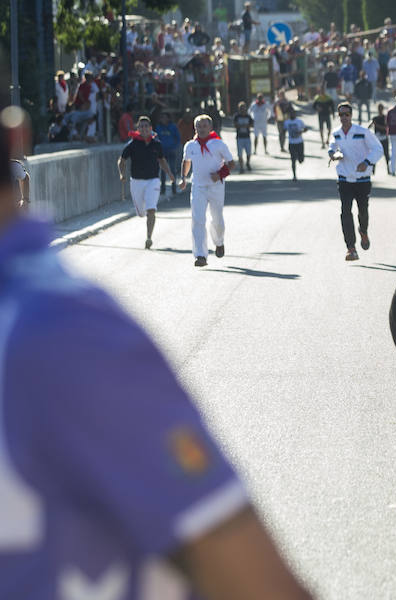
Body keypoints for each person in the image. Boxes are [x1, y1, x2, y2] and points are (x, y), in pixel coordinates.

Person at [0, 109, 315, 600]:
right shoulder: (63, 329)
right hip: (189, 189)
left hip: (213, 188)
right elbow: (251, 579)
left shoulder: (57, 328)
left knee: (214, 220)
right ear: (18, 135)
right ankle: (200, 251)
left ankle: (214, 246)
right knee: (195, 222)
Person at [327, 102, 382, 261]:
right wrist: (333, 154)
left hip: (362, 179)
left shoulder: (362, 132)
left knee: (363, 211)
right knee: (345, 211)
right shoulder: (336, 133)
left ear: (351, 115)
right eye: (341, 115)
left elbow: (378, 149)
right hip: (344, 178)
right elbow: (332, 147)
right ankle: (351, 248)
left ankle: (363, 231)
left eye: (347, 114)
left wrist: (367, 162)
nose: (344, 117)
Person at [180, 114, 235, 267]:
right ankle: (200, 255)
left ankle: (219, 241)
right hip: (198, 187)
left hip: (216, 187)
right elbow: (186, 162)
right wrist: (183, 178)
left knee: (217, 219)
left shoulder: (219, 144)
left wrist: (219, 175)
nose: (202, 129)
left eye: (205, 126)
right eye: (199, 126)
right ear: (195, 128)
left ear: (210, 128)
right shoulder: (190, 146)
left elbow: (231, 164)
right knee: (198, 219)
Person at [119, 116, 176, 250]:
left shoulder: (156, 144)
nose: (144, 129)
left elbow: (161, 160)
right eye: (141, 126)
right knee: (140, 213)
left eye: (146, 126)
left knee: (151, 209)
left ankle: (149, 237)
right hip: (137, 182)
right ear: (137, 129)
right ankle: (144, 213)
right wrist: (122, 174)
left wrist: (169, 173)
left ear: (151, 129)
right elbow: (121, 160)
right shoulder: (132, 144)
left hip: (153, 181)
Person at [154, 111, 181, 198]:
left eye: (165, 117)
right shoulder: (158, 128)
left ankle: (174, 187)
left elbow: (177, 138)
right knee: (162, 171)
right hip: (162, 152)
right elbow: (156, 138)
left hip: (171, 151)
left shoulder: (173, 127)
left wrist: (174, 146)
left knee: (172, 169)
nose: (164, 119)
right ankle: (163, 188)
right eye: (162, 118)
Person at [283, 107, 310, 181]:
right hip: (291, 143)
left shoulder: (299, 121)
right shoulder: (286, 122)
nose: (292, 115)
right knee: (293, 160)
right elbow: (283, 130)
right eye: (291, 114)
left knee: (301, 160)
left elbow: (306, 128)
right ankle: (294, 175)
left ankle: (299, 156)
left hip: (299, 143)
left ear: (295, 114)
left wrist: (301, 131)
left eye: (293, 113)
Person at [233, 101, 254, 173]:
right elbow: (235, 125)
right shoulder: (237, 116)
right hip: (239, 137)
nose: (242, 109)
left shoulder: (248, 116)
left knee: (248, 153)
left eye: (243, 107)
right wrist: (241, 126)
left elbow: (252, 125)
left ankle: (248, 163)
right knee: (240, 154)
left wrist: (246, 126)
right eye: (241, 108)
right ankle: (241, 167)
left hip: (247, 137)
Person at [369, 102, 389, 170]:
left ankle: (389, 169)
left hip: (384, 137)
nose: (380, 109)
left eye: (381, 108)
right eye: (379, 108)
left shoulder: (385, 118)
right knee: (374, 155)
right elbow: (369, 126)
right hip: (377, 139)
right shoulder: (375, 118)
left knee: (386, 155)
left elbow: (386, 128)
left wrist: (377, 125)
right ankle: (373, 171)